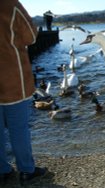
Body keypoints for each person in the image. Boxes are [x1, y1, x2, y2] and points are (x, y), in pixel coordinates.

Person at [0, 0, 47, 185]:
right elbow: (31, 36)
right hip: (12, 79)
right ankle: (27, 170)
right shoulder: (10, 4)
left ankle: (2, 170)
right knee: (18, 128)